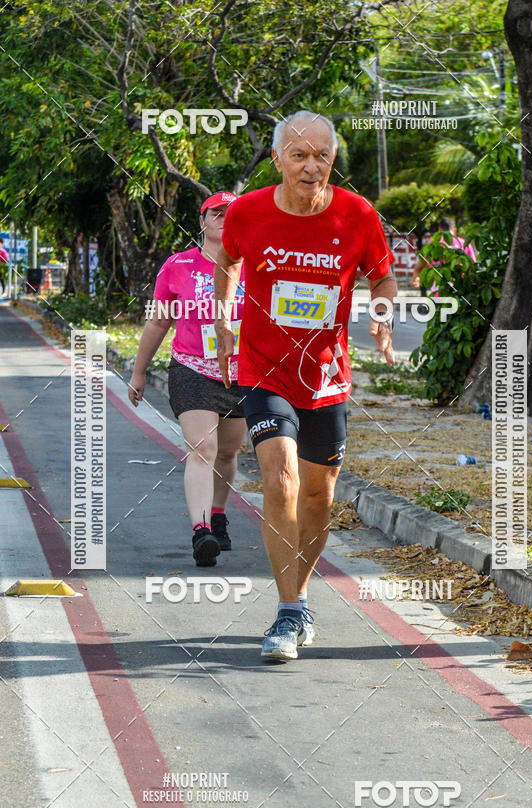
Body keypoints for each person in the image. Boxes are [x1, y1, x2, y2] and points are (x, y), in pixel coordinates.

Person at [214, 110, 396, 661]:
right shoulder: (247, 213)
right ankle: (288, 611)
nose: (312, 167)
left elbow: (381, 273)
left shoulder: (357, 214)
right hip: (264, 370)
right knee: (283, 481)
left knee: (320, 495)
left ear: (333, 160)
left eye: (322, 155)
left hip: (326, 375)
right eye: (299, 155)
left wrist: (382, 313)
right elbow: (226, 259)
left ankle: (302, 596)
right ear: (277, 161)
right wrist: (224, 319)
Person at [128, 191, 247, 566]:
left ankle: (218, 513)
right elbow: (158, 321)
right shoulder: (178, 265)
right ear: (202, 220)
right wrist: (138, 371)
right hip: (191, 369)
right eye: (217, 213)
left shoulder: (257, 265)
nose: (225, 218)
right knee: (202, 450)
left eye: (233, 213)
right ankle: (201, 532)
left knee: (228, 453)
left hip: (243, 374)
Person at [410, 217, 477, 292]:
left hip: (438, 289)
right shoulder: (464, 243)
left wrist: (416, 277)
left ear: (439, 229)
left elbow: (420, 266)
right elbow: (473, 266)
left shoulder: (433, 244)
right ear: (455, 230)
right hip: (460, 287)